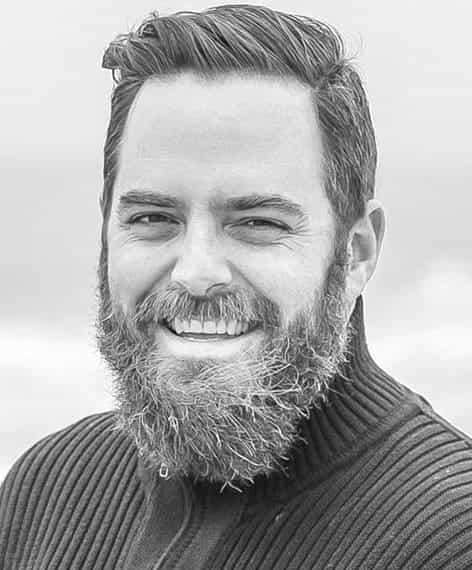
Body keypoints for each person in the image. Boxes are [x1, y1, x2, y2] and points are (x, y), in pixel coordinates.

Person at [1, 4, 472, 569]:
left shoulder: (451, 538)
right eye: (153, 218)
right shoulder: (45, 488)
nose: (195, 272)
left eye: (258, 223)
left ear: (356, 253)